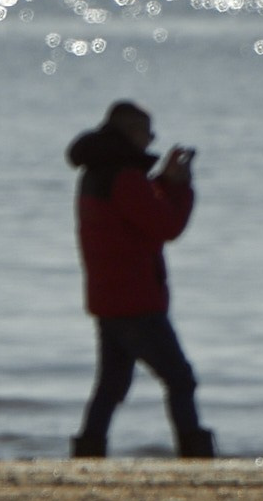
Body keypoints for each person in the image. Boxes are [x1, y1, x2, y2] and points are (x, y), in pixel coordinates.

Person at [65, 100, 213, 459]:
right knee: (179, 378)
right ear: (131, 132)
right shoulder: (124, 177)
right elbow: (166, 225)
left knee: (111, 386)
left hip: (109, 298)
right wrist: (180, 187)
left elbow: (136, 215)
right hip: (136, 301)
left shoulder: (97, 174)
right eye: (147, 131)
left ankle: (88, 452)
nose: (152, 139)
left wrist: (163, 181)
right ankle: (194, 455)